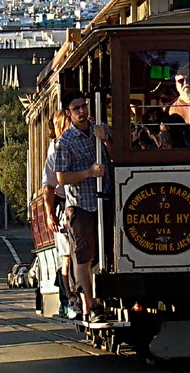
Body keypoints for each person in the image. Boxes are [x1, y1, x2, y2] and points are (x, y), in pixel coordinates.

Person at [54, 91, 111, 323]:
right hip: (81, 206)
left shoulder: (100, 130)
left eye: (84, 106)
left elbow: (117, 154)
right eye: (76, 108)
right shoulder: (65, 142)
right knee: (83, 257)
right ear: (68, 113)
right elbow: (61, 177)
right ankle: (92, 303)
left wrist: (106, 139)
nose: (82, 112)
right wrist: (89, 173)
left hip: (106, 199)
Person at [41, 109, 75, 318]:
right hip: (65, 206)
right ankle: (68, 298)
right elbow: (49, 186)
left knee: (74, 256)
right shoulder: (56, 148)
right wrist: (50, 214)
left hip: (77, 203)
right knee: (67, 257)